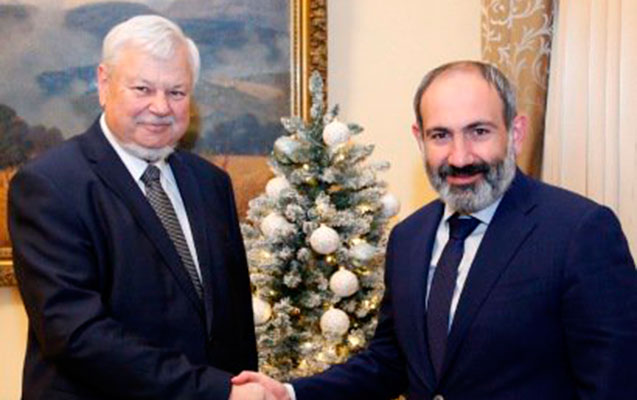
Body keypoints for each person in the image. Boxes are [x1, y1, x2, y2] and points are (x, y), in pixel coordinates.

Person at [232, 61, 637, 399]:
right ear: (419, 139)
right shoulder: (408, 238)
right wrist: (290, 393)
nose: (460, 157)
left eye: (479, 131)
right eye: (440, 135)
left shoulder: (579, 232)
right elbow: (391, 361)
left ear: (515, 133)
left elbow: (616, 385)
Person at [9, 15, 265, 399]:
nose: (160, 107)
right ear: (104, 84)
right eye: (143, 88)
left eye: (176, 92)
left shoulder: (211, 183)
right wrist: (215, 392)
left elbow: (234, 323)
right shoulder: (50, 185)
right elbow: (77, 334)